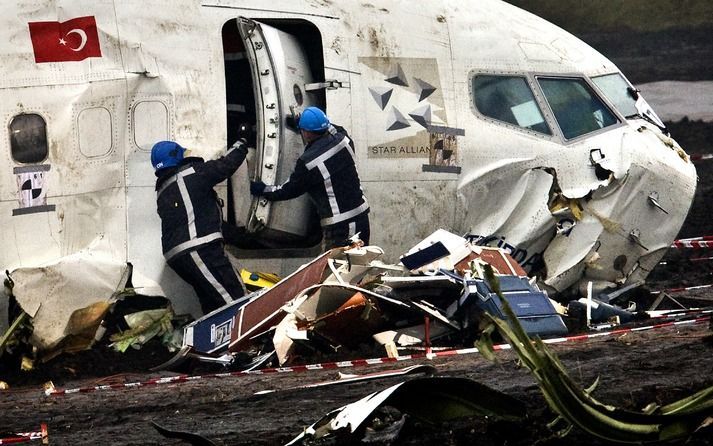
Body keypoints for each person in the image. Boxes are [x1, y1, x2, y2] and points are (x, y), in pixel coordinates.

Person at [151, 136, 249, 314]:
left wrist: (240, 236)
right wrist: (241, 142)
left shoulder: (164, 190)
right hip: (199, 249)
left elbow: (201, 220)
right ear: (176, 157)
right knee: (235, 299)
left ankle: (212, 340)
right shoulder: (191, 174)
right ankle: (249, 338)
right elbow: (225, 165)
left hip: (179, 257)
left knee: (212, 303)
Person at [250, 106, 370, 249]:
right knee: (354, 267)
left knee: (341, 269)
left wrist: (264, 189)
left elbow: (289, 189)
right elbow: (335, 128)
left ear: (306, 133)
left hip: (343, 227)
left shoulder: (309, 163)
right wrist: (305, 123)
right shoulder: (344, 139)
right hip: (361, 218)